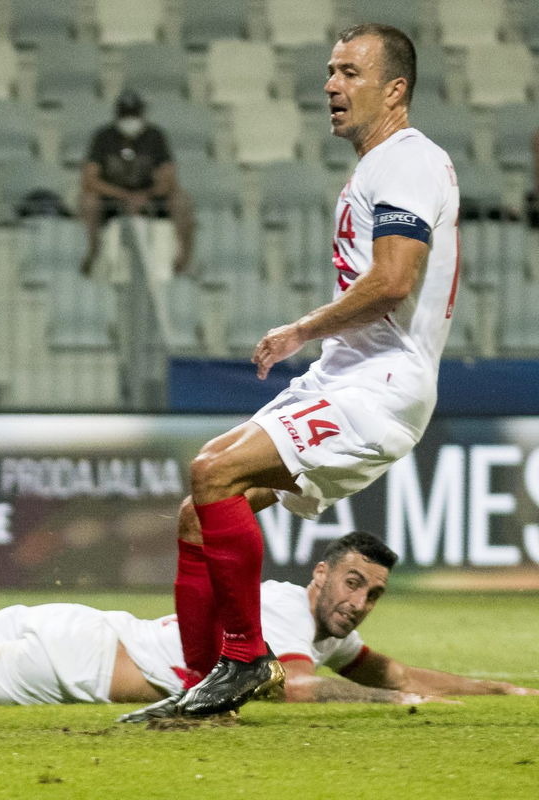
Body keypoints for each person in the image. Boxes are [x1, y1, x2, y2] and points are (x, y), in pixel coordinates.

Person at [140, 23, 460, 720]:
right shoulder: (378, 166)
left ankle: (245, 659)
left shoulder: (407, 160)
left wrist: (301, 329)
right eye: (330, 71)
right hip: (347, 374)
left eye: (349, 72)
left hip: (381, 385)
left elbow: (395, 279)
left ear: (395, 88)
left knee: (213, 473)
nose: (331, 86)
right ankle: (205, 688)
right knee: (201, 514)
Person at [0, 533, 537, 708]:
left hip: (70, 623)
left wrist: (482, 685)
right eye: (350, 581)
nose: (355, 601)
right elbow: (303, 688)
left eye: (370, 593)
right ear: (320, 572)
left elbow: (379, 666)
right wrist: (401, 710)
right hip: (69, 663)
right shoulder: (281, 607)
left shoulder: (326, 624)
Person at [77, 89, 194, 275]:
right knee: (88, 201)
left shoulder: (155, 136)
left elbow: (169, 176)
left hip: (148, 195)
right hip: (112, 199)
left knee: (181, 199)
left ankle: (184, 258)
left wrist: (146, 195)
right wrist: (125, 196)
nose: (130, 120)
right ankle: (93, 252)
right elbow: (89, 180)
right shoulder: (103, 137)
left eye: (134, 114)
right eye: (125, 115)